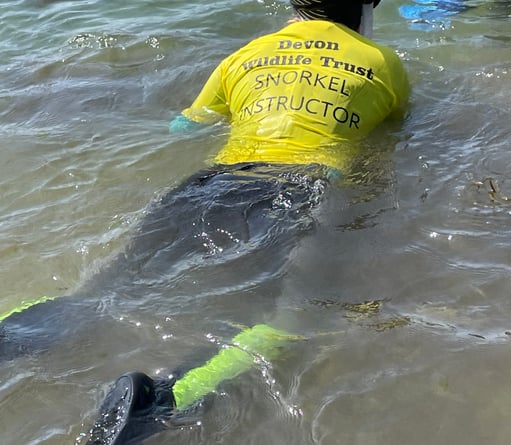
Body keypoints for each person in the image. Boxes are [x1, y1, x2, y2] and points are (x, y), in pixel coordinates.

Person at [1, 1, 409, 444]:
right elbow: (393, 134)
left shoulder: (246, 53)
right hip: (299, 188)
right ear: (367, 7)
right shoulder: (383, 61)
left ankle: (16, 333)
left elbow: (186, 126)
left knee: (111, 283)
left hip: (210, 183)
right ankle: (160, 403)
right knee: (292, 316)